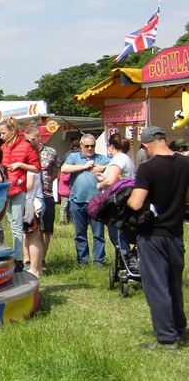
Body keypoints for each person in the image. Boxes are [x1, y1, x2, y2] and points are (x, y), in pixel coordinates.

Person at [127, 126, 189, 350]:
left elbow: (135, 202)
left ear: (146, 144)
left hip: (153, 234)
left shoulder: (147, 168)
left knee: (157, 286)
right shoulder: (184, 163)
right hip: (176, 232)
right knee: (174, 284)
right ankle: (180, 328)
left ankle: (166, 338)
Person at [0, 117, 41, 272]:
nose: (1, 136)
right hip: (5, 191)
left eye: (3, 132)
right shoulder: (3, 148)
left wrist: (21, 165)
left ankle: (18, 260)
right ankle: (13, 256)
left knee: (16, 225)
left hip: (18, 190)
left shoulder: (25, 147)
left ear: (13, 131)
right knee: (10, 223)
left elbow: (37, 167)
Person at [61, 134, 110, 267]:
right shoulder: (74, 157)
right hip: (77, 201)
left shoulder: (101, 159)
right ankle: (83, 261)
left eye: (92, 146)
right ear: (81, 146)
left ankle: (99, 261)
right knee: (80, 234)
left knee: (98, 234)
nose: (89, 148)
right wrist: (84, 166)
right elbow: (64, 168)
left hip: (96, 202)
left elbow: (116, 164)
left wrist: (103, 168)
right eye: (87, 146)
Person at [95, 133, 135, 265]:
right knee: (121, 233)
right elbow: (118, 178)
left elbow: (111, 181)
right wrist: (104, 177)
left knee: (117, 235)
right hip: (125, 199)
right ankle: (128, 261)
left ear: (111, 146)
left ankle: (126, 264)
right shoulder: (126, 158)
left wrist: (100, 184)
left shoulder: (117, 159)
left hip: (117, 203)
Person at [23, 126, 59, 267]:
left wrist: (48, 183)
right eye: (27, 139)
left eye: (32, 139)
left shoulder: (50, 152)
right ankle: (27, 259)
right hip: (29, 196)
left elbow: (55, 171)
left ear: (39, 138)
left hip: (46, 193)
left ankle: (41, 259)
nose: (30, 142)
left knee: (46, 229)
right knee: (28, 228)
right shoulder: (25, 153)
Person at [22, 169, 45, 277]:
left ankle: (35, 270)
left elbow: (29, 185)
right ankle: (37, 268)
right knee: (28, 236)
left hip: (32, 204)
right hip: (29, 203)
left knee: (33, 237)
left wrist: (15, 184)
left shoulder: (31, 168)